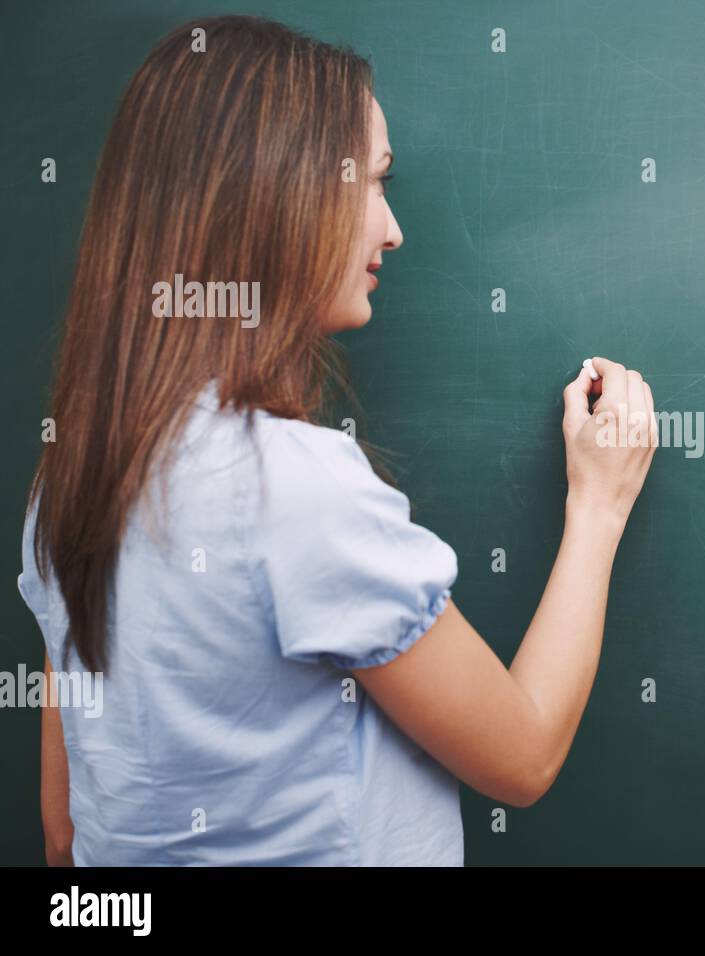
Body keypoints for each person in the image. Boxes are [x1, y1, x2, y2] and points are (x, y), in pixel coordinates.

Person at [17, 15, 656, 866]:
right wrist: (599, 507)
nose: (390, 231)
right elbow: (524, 754)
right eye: (374, 184)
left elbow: (65, 836)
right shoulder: (293, 487)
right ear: (274, 193)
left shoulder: (67, 482)